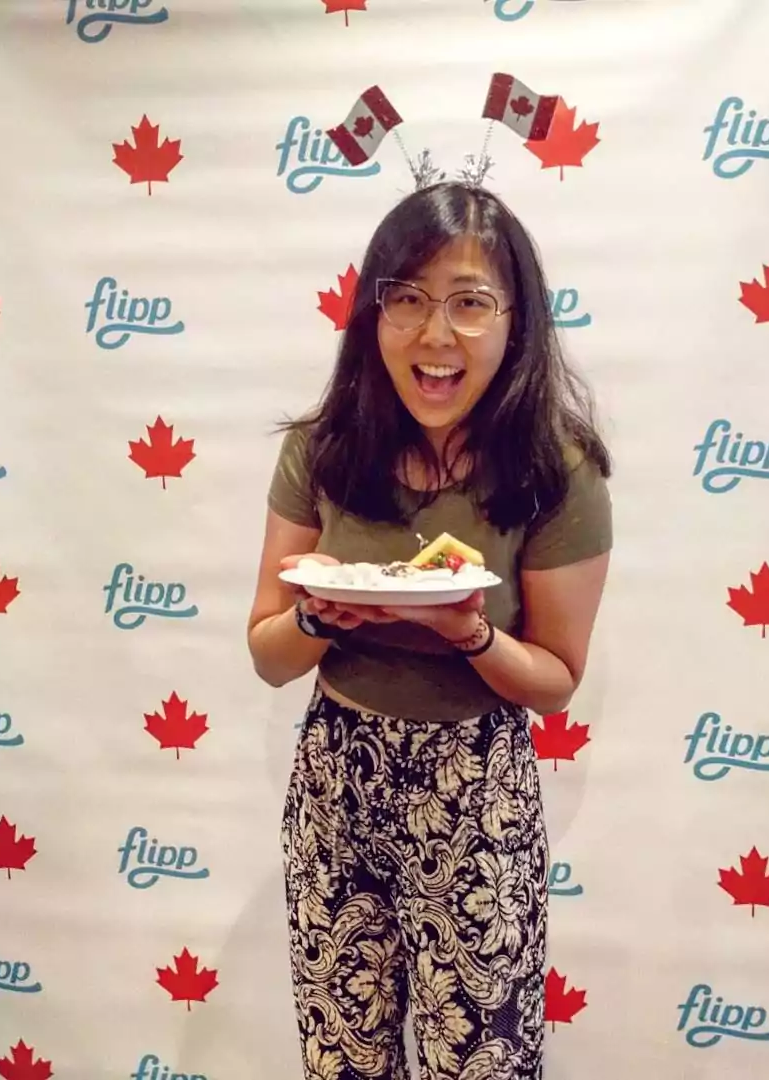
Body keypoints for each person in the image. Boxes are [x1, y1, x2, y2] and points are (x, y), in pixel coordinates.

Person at [247, 179, 612, 1080]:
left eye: (470, 303)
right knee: (345, 1057)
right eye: (406, 299)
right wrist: (319, 614)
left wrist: (471, 633)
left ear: (516, 322)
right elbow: (267, 655)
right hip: (339, 775)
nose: (435, 334)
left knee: (480, 1061)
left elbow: (557, 680)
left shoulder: (556, 471)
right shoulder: (323, 447)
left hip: (476, 784)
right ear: (372, 315)